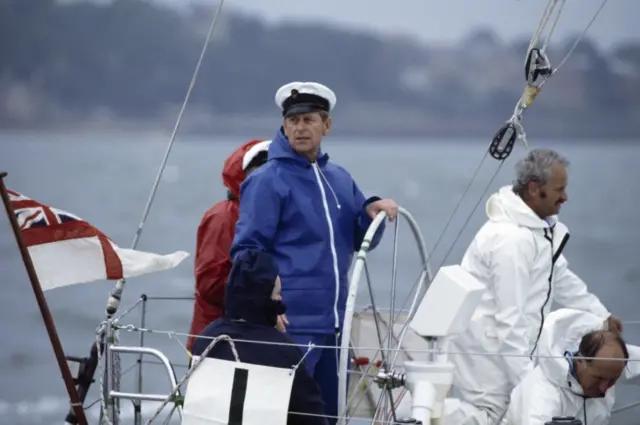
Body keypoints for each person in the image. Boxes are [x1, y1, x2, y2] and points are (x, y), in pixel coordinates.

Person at [229, 81, 399, 424]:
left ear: (326, 125)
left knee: (328, 418)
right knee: (287, 418)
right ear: (284, 125)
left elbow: (357, 238)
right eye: (293, 121)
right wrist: (266, 308)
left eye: (308, 119)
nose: (300, 127)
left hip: (334, 328)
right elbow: (247, 251)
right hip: (291, 327)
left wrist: (374, 213)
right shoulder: (267, 180)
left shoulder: (339, 178)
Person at [446, 148, 623, 425]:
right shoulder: (510, 241)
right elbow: (509, 323)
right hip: (489, 363)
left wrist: (601, 317)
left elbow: (560, 277)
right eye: (559, 189)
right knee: (489, 418)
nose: (565, 197)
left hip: (513, 355)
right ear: (533, 189)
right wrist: (531, 385)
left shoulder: (537, 230)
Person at [191, 249, 329, 425]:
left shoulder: (205, 339)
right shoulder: (285, 352)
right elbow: (311, 417)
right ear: (267, 300)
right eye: (278, 294)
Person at [186, 138, 272, 354]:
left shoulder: (265, 216)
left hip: (252, 337)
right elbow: (210, 285)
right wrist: (265, 296)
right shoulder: (224, 217)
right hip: (217, 341)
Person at [503, 308, 640, 425]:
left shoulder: (607, 364)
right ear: (580, 361)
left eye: (613, 380)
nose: (604, 388)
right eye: (598, 378)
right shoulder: (542, 399)